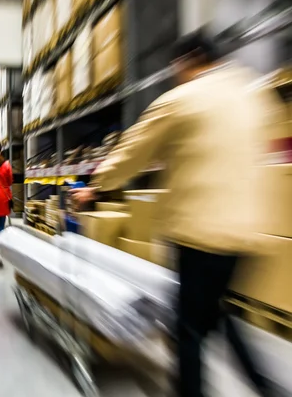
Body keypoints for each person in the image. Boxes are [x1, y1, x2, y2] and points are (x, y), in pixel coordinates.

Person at [71, 30, 285, 397]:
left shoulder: (183, 98)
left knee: (189, 327)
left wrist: (96, 185)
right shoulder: (251, 92)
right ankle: (266, 386)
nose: (175, 74)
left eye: (176, 67)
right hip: (250, 232)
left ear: (188, 61)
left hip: (203, 233)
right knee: (216, 313)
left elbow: (133, 151)